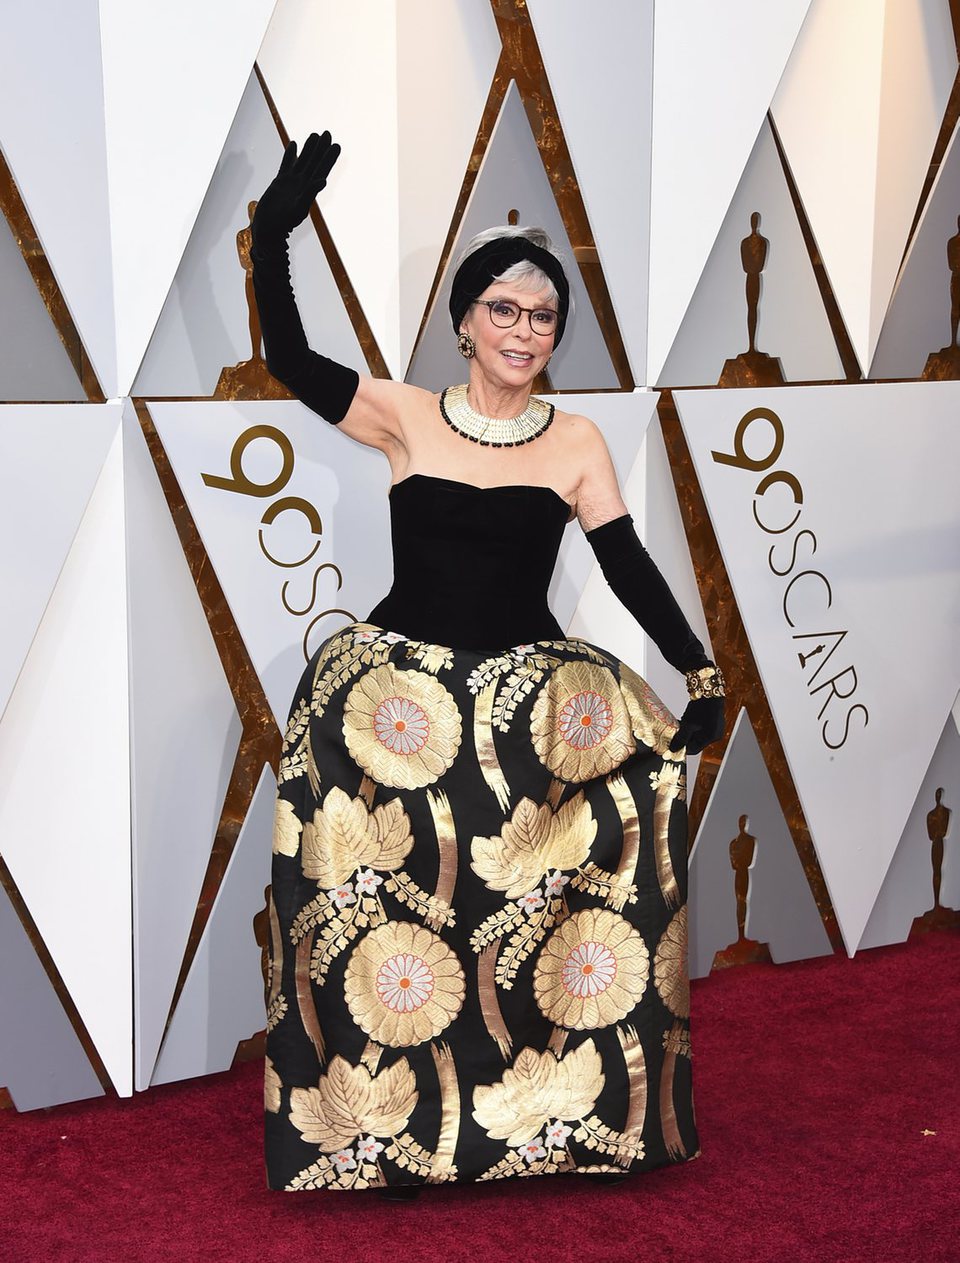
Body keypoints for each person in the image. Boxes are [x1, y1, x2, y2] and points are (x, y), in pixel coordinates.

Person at [252, 132, 724, 1196]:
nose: (524, 329)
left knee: (529, 935)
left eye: (543, 315)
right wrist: (274, 230)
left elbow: (629, 563)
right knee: (380, 932)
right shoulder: (405, 415)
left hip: (521, 717)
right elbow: (288, 354)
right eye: (503, 310)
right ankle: (366, 1135)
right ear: (466, 322)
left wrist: (699, 671)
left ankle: (539, 1126)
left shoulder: (576, 444)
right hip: (399, 708)